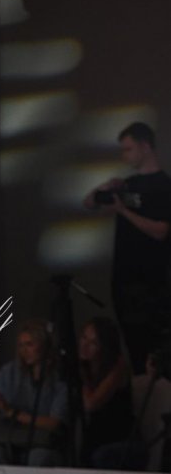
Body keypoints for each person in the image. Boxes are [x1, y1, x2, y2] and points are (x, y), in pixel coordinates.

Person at [83, 122, 171, 373]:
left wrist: (123, 211)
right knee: (134, 348)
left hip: (152, 284)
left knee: (156, 353)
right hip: (124, 281)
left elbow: (161, 230)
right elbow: (89, 203)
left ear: (145, 147)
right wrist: (105, 188)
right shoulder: (128, 184)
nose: (125, 156)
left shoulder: (163, 185)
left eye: (128, 149)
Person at [0, 319, 69, 466]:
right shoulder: (9, 372)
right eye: (21, 345)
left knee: (38, 458)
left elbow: (55, 423)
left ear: (44, 346)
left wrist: (12, 413)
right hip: (10, 439)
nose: (24, 351)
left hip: (43, 442)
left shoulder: (58, 379)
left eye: (29, 344)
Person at [78, 316, 138, 468]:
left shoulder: (117, 366)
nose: (85, 345)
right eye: (84, 338)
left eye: (93, 343)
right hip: (94, 436)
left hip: (118, 438)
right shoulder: (85, 365)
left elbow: (91, 404)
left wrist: (82, 375)